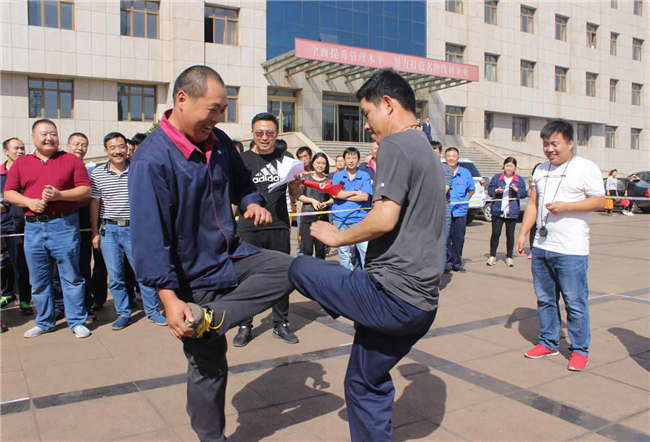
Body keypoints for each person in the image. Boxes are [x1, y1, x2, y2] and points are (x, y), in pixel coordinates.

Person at [129, 65, 295, 441]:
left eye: (223, 110)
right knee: (209, 366)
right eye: (213, 109)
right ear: (182, 99)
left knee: (287, 268)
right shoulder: (152, 159)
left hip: (230, 256)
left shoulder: (218, 141)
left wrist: (251, 201)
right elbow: (150, 240)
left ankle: (215, 319)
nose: (218, 118)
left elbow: (242, 181)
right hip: (192, 277)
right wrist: (169, 300)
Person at [288, 69, 444, 441]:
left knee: (298, 268)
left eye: (367, 114)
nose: (367, 126)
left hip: (391, 296)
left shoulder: (396, 145)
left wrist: (339, 237)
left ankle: (220, 314)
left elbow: (385, 217)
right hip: (422, 304)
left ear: (387, 104)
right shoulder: (426, 148)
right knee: (364, 382)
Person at [515, 119, 605, 372]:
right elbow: (533, 204)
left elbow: (599, 201)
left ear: (570, 143)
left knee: (575, 302)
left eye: (555, 143)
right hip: (542, 246)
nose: (549, 149)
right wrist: (523, 234)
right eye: (546, 144)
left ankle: (579, 349)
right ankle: (548, 341)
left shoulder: (585, 167)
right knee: (545, 299)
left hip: (571, 250)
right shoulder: (540, 170)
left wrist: (567, 207)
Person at [4, 119, 91, 338]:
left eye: (53, 133)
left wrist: (60, 195)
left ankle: (77, 321)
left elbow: (84, 190)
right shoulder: (22, 163)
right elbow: (9, 193)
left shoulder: (70, 160)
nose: (49, 138)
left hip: (64, 225)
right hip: (33, 228)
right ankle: (44, 321)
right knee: (39, 278)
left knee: (71, 276)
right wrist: (28, 202)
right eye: (44, 134)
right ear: (33, 137)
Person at [232, 112, 301, 347]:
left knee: (282, 275)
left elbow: (295, 195)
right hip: (248, 228)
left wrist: (296, 185)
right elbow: (234, 195)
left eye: (269, 133)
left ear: (276, 134)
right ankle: (244, 325)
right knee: (246, 278)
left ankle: (281, 323)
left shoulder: (286, 159)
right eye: (259, 133)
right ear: (252, 133)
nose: (264, 137)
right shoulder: (242, 160)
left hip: (278, 225)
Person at [90, 131, 167, 330]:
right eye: (112, 147)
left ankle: (152, 311)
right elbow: (95, 204)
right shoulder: (97, 174)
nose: (117, 151)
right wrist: (95, 233)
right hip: (109, 230)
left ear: (127, 148)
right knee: (116, 277)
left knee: (143, 273)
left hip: (135, 229)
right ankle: (123, 313)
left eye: (121, 146)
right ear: (106, 150)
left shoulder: (139, 170)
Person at [64, 132, 108, 320]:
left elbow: (94, 198)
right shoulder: (62, 167)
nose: (80, 148)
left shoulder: (91, 170)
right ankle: (73, 306)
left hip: (90, 225)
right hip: (67, 225)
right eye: (76, 144)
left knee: (91, 267)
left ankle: (92, 303)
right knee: (72, 269)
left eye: (83, 145)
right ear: (68, 146)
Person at [0, 138, 32, 314]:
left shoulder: (27, 172)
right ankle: (7, 294)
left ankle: (25, 300)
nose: (20, 151)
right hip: (3, 227)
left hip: (22, 226)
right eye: (16, 148)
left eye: (22, 148)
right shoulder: (0, 175)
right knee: (4, 264)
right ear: (6, 151)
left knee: (22, 264)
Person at [331, 147, 373, 270]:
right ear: (344, 160)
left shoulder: (364, 176)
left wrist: (344, 195)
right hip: (340, 219)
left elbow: (365, 197)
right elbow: (335, 195)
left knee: (365, 251)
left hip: (359, 219)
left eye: (354, 158)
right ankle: (348, 277)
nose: (351, 161)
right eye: (348, 158)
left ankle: (366, 278)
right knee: (343, 253)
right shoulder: (337, 176)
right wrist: (355, 192)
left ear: (358, 160)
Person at [486, 157, 528, 267]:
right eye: (507, 166)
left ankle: (509, 256)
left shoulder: (518, 180)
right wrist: (496, 191)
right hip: (498, 210)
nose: (509, 168)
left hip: (511, 211)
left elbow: (524, 194)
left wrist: (517, 190)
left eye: (511, 166)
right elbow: (489, 190)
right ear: (503, 166)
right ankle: (492, 256)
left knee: (510, 235)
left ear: (515, 168)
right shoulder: (497, 178)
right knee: (495, 233)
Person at [298, 153, 334, 259]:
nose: (320, 165)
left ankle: (320, 269)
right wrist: (312, 200)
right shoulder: (305, 178)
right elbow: (299, 195)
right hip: (307, 218)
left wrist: (326, 203)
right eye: (318, 163)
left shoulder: (329, 180)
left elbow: (333, 198)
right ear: (313, 163)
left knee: (320, 250)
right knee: (307, 249)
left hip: (322, 219)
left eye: (323, 163)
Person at [445, 147, 475, 272]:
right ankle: (446, 262)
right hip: (445, 211)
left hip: (460, 211)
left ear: (458, 157)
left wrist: (464, 201)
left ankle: (456, 262)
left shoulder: (465, 173)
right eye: (449, 156)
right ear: (445, 157)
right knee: (445, 239)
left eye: (454, 156)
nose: (451, 158)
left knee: (458, 238)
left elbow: (471, 190)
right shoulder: (441, 171)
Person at [431, 141, 453, 272]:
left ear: (440, 153)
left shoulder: (447, 170)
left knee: (441, 245)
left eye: (435, 151)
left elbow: (442, 191)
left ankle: (438, 276)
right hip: (425, 214)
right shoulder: (420, 168)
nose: (432, 153)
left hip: (442, 213)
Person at [527, 162, 542, 258]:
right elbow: (529, 194)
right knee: (533, 230)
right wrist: (531, 185)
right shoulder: (532, 182)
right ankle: (532, 250)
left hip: (543, 209)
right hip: (534, 208)